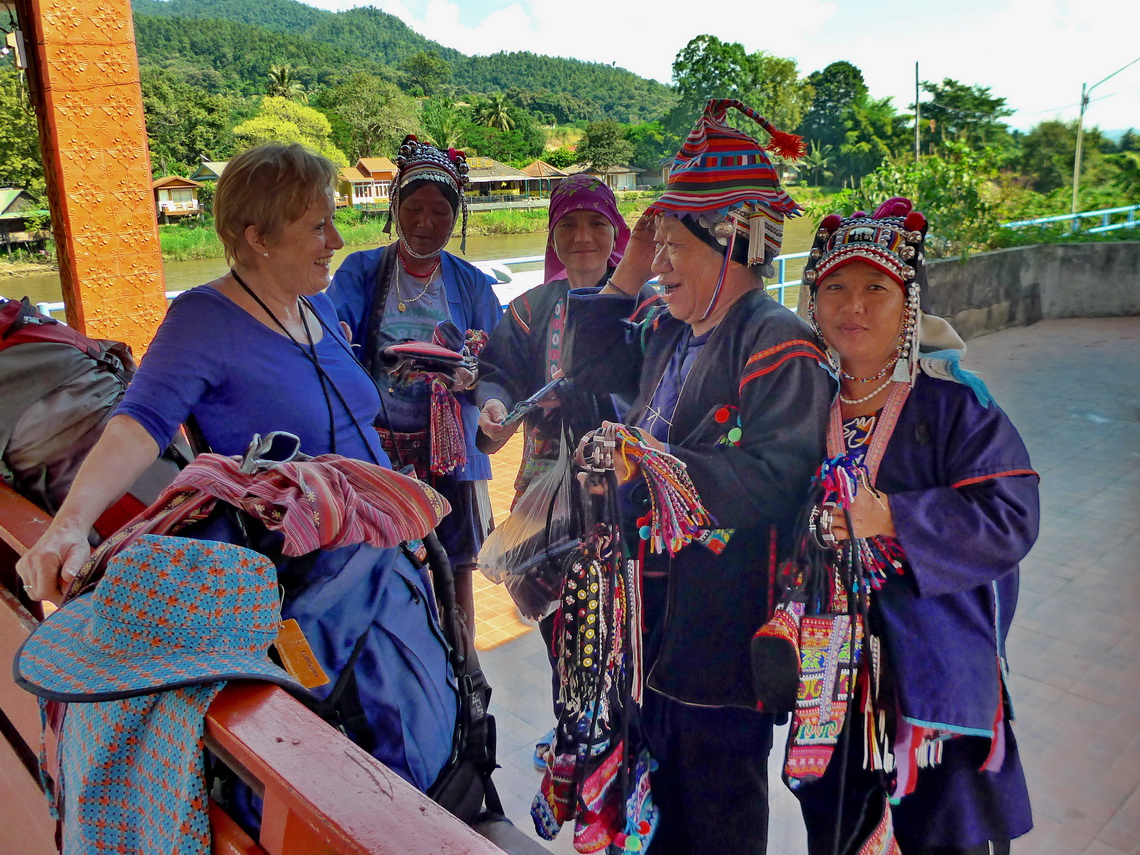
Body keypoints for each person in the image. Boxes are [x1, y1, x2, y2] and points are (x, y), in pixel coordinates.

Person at [15, 142, 458, 798]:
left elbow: (355, 425)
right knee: (355, 756)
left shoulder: (320, 310)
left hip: (387, 565)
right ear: (256, 238)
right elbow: (141, 422)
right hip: (308, 591)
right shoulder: (203, 318)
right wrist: (70, 524)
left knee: (426, 726)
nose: (335, 239)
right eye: (316, 225)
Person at [560, 100, 836, 855]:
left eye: (676, 244)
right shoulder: (671, 330)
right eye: (657, 244)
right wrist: (631, 256)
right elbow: (584, 371)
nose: (659, 264)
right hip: (652, 628)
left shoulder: (780, 343)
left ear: (736, 242)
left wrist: (650, 471)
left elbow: (779, 478)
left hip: (723, 638)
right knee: (656, 811)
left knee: (718, 817)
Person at [791, 198, 1037, 854]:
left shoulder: (956, 404)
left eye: (877, 287)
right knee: (837, 827)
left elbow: (1011, 516)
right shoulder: (800, 405)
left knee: (944, 833)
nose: (854, 305)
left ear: (909, 306)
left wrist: (895, 515)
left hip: (934, 681)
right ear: (813, 304)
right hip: (828, 672)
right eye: (835, 287)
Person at [475, 173, 658, 769]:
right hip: (543, 496)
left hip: (626, 494)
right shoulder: (531, 308)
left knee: (624, 620)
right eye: (570, 225)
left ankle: (625, 738)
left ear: (618, 233)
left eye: (597, 224)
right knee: (559, 624)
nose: (584, 237)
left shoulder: (649, 304)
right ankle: (571, 736)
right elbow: (498, 369)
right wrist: (496, 404)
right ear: (554, 234)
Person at [328, 135, 502, 627]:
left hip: (452, 452)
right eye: (414, 208)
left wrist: (472, 378)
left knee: (456, 568)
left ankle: (465, 673)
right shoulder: (361, 272)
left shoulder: (471, 283)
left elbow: (500, 367)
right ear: (394, 208)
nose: (426, 224)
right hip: (381, 451)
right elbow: (332, 347)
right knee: (384, 560)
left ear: (457, 217)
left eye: (440, 212)